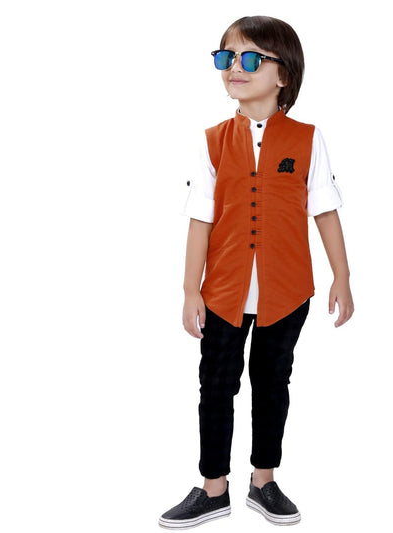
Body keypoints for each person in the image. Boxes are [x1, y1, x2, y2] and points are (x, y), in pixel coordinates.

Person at [158, 15, 354, 529]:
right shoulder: (213, 141)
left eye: (250, 58)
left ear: (283, 74)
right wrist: (190, 290)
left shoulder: (308, 139)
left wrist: (342, 276)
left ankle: (263, 481)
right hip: (222, 291)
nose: (235, 69)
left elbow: (325, 210)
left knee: (272, 383)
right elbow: (200, 219)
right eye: (226, 58)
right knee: (215, 385)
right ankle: (213, 489)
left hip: (286, 290)